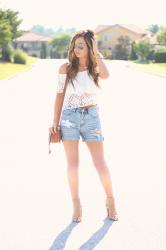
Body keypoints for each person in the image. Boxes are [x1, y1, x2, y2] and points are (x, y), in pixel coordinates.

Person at [49, 29, 118, 223]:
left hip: (91, 117)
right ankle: (76, 204)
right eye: (74, 46)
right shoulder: (64, 69)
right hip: (69, 117)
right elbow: (59, 95)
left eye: (81, 46)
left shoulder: (95, 67)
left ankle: (111, 201)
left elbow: (106, 75)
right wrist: (55, 121)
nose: (76, 50)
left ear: (89, 47)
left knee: (100, 163)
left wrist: (96, 52)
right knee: (73, 164)